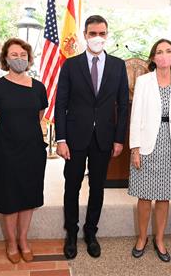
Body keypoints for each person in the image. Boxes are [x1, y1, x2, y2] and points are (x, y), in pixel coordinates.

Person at [55, 15, 129, 259]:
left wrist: (119, 139)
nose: (98, 38)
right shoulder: (70, 65)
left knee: (97, 187)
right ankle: (71, 233)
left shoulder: (118, 65)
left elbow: (123, 105)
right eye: (93, 33)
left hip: (104, 138)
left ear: (107, 35)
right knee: (72, 187)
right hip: (75, 138)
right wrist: (61, 139)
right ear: (85, 35)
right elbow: (61, 104)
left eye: (102, 33)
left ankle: (90, 232)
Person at [0, 38, 48, 264]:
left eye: (23, 55)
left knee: (29, 196)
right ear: (5, 59)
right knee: (9, 198)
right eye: (14, 55)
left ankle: (23, 240)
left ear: (29, 58)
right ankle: (11, 242)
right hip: (6, 150)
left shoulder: (39, 87)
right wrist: (10, 133)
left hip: (32, 150)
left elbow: (38, 116)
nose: (19, 58)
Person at [128, 39, 171, 262]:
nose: (164, 55)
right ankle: (142, 238)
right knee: (144, 196)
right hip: (147, 144)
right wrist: (135, 148)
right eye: (159, 52)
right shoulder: (144, 81)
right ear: (153, 57)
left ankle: (160, 239)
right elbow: (135, 116)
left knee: (164, 197)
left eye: (168, 51)